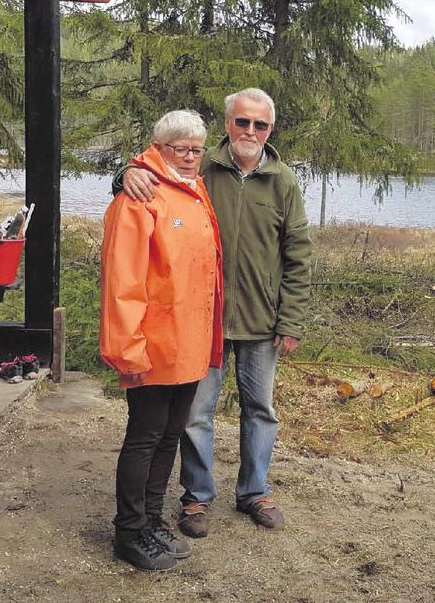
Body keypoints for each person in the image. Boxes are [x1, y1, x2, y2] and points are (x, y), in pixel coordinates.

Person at [118, 88, 311, 537]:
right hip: (201, 320)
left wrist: (292, 318)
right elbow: (153, 168)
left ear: (270, 129)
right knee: (195, 414)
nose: (250, 131)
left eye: (259, 125)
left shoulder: (282, 180)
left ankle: (254, 492)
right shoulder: (201, 166)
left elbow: (298, 253)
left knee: (260, 409)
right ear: (228, 124)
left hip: (262, 320)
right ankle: (196, 498)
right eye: (242, 122)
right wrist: (124, 173)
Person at [100, 110, 224, 572]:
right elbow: (122, 282)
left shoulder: (192, 191)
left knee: (170, 434)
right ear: (160, 146)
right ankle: (128, 531)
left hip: (188, 344)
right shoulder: (139, 197)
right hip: (151, 345)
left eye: (196, 149)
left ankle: (151, 521)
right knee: (144, 436)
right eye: (180, 149)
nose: (190, 157)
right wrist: (126, 348)